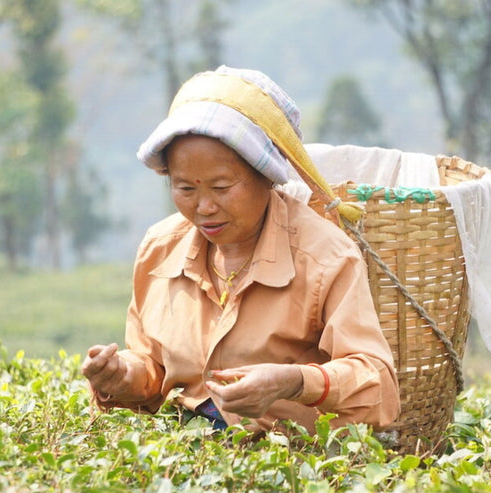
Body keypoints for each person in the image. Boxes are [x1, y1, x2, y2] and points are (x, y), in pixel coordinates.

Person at [82, 66, 399, 434]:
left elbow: (379, 388)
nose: (203, 208)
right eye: (185, 189)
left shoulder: (326, 257)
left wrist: (295, 382)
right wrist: (121, 374)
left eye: (221, 187)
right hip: (186, 456)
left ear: (266, 176)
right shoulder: (159, 248)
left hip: (286, 465)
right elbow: (152, 368)